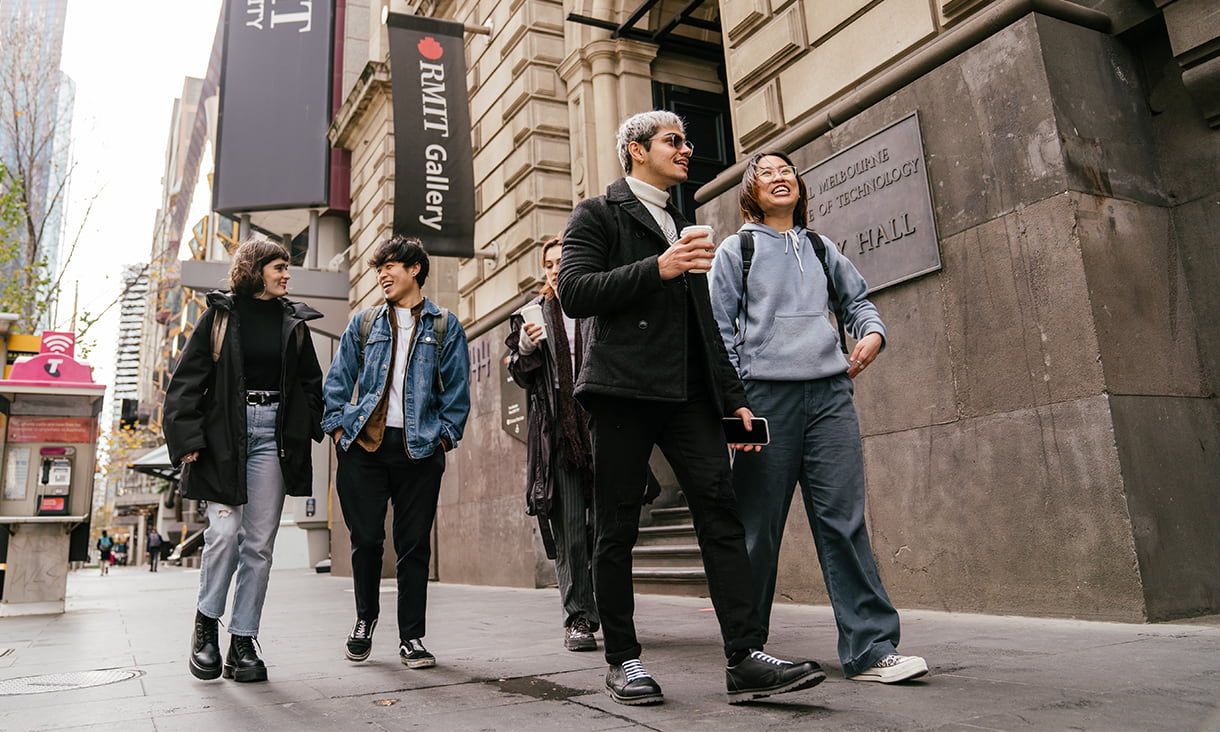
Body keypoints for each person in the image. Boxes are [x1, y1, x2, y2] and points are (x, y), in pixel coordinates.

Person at [557, 110, 825, 706]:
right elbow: (574, 293)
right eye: (673, 141)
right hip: (623, 390)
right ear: (635, 149)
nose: (687, 149)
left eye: (686, 140)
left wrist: (737, 406)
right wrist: (659, 267)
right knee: (617, 527)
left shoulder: (685, 221)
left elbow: (706, 325)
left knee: (722, 512)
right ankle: (623, 660)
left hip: (691, 397)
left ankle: (746, 655)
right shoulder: (597, 213)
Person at [709, 151, 928, 684]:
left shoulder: (820, 246)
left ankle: (872, 649)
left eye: (787, 170)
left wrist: (872, 333)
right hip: (765, 400)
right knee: (757, 529)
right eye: (767, 172)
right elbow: (718, 332)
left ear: (799, 186)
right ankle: (747, 652)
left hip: (830, 397)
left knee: (844, 522)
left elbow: (859, 303)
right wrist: (736, 409)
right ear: (750, 191)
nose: (780, 177)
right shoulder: (736, 250)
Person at [164, 238, 325, 683]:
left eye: (286, 268)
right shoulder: (218, 317)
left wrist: (303, 423)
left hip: (273, 437)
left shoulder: (293, 322)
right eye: (279, 267)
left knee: (259, 544)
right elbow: (184, 384)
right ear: (255, 270)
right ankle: (205, 628)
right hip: (224, 438)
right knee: (224, 533)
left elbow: (313, 383)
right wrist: (189, 439)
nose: (286, 274)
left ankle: (243, 641)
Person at [322, 235, 470, 669]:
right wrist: (336, 428)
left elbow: (457, 392)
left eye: (391, 266)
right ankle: (365, 619)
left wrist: (444, 436)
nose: (383, 274)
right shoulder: (364, 323)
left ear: (415, 270)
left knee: (414, 546)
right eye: (379, 268)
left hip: (419, 450)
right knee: (366, 540)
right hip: (363, 447)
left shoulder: (445, 325)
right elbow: (337, 381)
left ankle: (412, 637)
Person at [505, 236, 599, 652]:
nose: (556, 268)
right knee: (571, 530)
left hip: (604, 428)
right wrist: (527, 345)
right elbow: (521, 373)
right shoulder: (533, 313)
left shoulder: (598, 303)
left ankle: (610, 607)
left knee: (610, 528)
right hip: (558, 434)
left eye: (564, 260)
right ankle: (578, 616)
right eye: (549, 264)